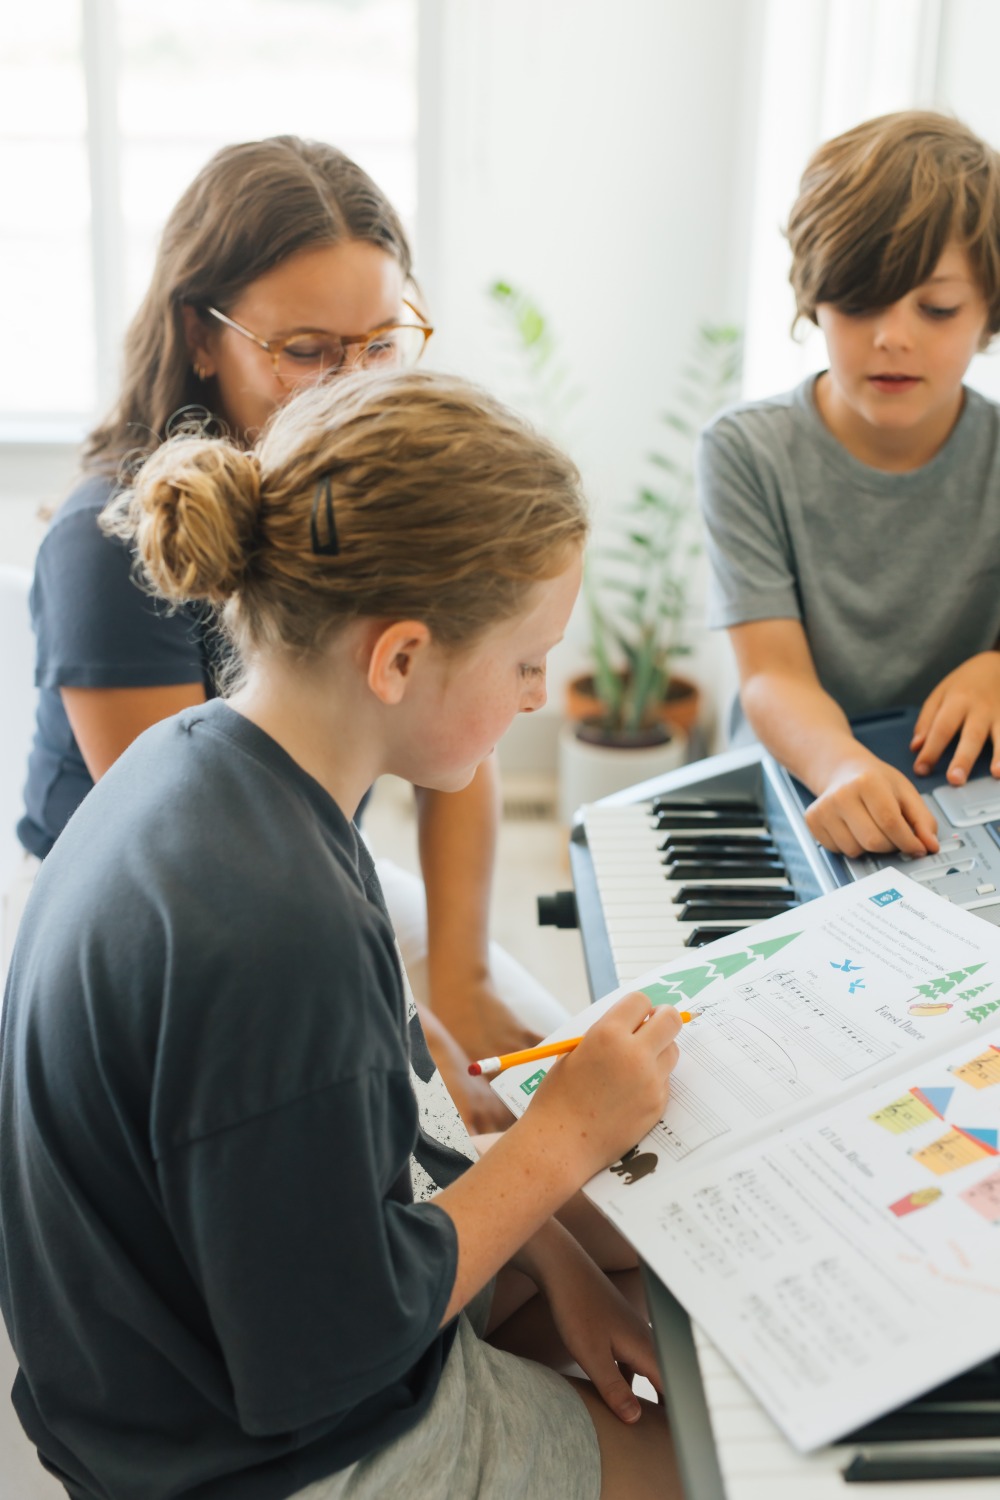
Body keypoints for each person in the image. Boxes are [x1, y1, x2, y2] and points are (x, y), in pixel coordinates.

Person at [0, 370, 684, 1500]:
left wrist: (550, 1254)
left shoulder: (215, 763)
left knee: (629, 1243)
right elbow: (327, 1352)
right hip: (252, 1454)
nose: (538, 695)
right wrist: (559, 1138)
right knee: (708, 1465)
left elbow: (368, 1142)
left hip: (193, 1358)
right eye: (525, 661)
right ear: (401, 657)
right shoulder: (275, 933)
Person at [10, 136, 568, 1129]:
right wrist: (403, 1035)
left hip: (315, 856)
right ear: (199, 335)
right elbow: (191, 852)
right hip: (197, 918)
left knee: (542, 1068)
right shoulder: (106, 551)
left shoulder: (370, 481)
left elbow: (464, 703)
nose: (353, 382)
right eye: (306, 351)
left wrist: (459, 971)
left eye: (381, 342)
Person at [699, 110, 1000, 859]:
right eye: (860, 302)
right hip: (802, 778)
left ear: (990, 310)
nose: (892, 336)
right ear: (812, 295)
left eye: (936, 308)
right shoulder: (747, 451)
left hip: (961, 798)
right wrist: (842, 764)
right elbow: (770, 675)